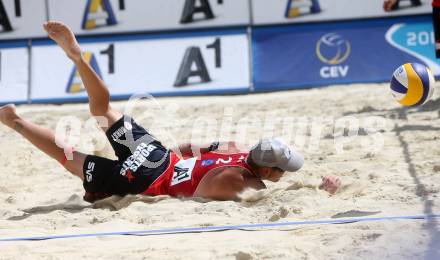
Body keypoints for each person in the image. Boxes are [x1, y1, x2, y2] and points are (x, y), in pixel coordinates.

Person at [0, 21, 341, 203]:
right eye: (282, 170)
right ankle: (14, 121)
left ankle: (78, 58)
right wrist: (318, 192)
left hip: (157, 157)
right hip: (145, 181)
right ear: (266, 171)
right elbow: (251, 201)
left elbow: (190, 146)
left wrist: (168, 154)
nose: (285, 174)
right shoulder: (239, 181)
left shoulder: (234, 146)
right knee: (70, 156)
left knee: (104, 110)